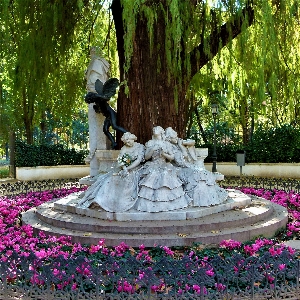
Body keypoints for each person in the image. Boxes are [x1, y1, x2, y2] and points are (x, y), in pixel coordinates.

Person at [77, 132, 145, 212]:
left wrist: (127, 169)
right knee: (109, 179)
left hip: (135, 169)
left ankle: (116, 203)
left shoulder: (140, 147)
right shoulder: (124, 148)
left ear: (132, 138)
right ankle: (100, 201)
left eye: (129, 141)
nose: (127, 143)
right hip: (124, 169)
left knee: (126, 180)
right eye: (126, 142)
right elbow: (120, 160)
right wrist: (124, 168)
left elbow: (138, 160)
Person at [164, 127, 228, 207]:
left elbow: (191, 143)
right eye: (174, 137)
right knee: (197, 175)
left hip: (187, 167)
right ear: (169, 138)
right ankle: (197, 201)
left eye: (176, 136)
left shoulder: (177, 144)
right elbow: (180, 161)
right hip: (179, 169)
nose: (177, 138)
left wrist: (183, 145)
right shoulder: (170, 147)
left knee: (203, 174)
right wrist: (181, 147)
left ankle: (207, 200)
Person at [135, 126, 191, 212]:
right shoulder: (150, 143)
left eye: (157, 128)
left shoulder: (166, 144)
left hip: (164, 164)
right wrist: (152, 149)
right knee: (152, 174)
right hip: (153, 164)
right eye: (153, 129)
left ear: (161, 132)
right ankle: (151, 204)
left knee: (166, 174)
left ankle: (167, 202)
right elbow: (146, 157)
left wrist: (164, 154)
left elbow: (171, 157)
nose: (154, 129)